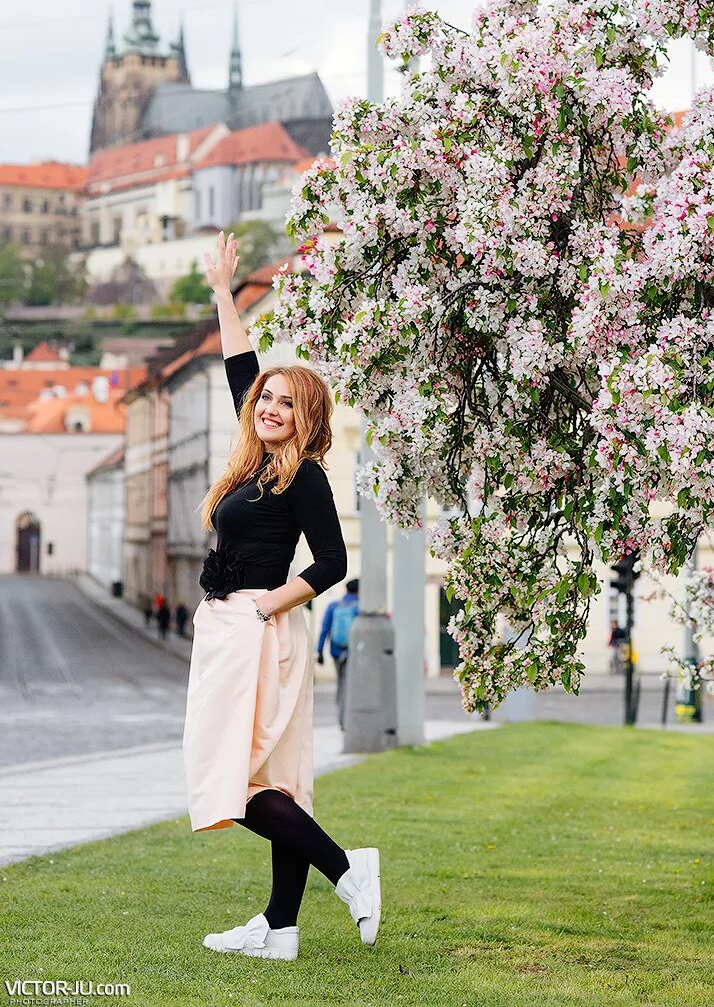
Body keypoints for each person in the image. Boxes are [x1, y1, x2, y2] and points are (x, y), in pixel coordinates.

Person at [182, 230, 381, 963]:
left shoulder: (304, 477)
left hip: (259, 626)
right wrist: (223, 294)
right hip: (237, 625)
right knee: (274, 781)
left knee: (234, 778)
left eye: (285, 403)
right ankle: (279, 928)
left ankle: (346, 869)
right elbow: (242, 364)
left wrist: (268, 607)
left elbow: (331, 562)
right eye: (265, 399)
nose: (268, 407)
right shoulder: (254, 457)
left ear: (308, 418)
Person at [317, 578, 360, 730]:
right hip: (353, 653)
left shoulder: (334, 606)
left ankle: (341, 717)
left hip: (335, 652)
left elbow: (324, 630)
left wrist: (319, 651)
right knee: (349, 685)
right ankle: (346, 721)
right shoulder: (359, 608)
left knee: (341, 684)